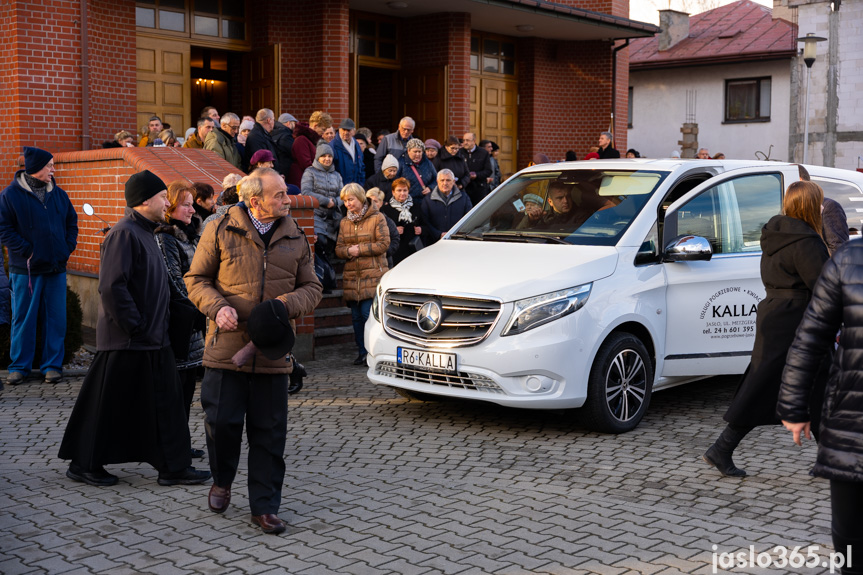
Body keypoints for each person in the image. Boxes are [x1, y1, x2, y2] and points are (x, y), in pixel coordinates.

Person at [185, 167, 322, 533]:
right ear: (255, 200)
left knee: (270, 433)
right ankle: (222, 479)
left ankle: (264, 506)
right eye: (279, 195)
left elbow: (312, 287)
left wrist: (284, 306)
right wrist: (218, 307)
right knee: (222, 425)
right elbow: (195, 280)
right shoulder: (219, 228)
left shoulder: (295, 234)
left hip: (273, 352)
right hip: (225, 350)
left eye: (285, 193)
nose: (287, 199)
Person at [58, 170, 210, 487]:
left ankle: (173, 466)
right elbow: (113, 288)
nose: (167, 202)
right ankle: (84, 463)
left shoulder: (146, 232)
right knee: (108, 406)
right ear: (144, 200)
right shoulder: (124, 234)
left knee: (166, 405)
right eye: (162, 197)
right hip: (128, 342)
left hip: (155, 339)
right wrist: (135, 326)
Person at [703, 181, 830, 478]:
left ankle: (827, 459)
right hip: (798, 320)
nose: (823, 208)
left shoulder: (776, 235)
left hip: (775, 314)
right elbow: (825, 285)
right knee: (777, 384)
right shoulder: (806, 241)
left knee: (810, 384)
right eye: (820, 202)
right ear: (810, 205)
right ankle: (722, 448)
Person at [778, 225, 863, 575]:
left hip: (850, 430)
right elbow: (811, 337)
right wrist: (794, 406)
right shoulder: (849, 259)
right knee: (852, 546)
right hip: (852, 430)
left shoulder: (847, 257)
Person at [0, 148, 77, 386]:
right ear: (36, 168)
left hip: (56, 268)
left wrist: (66, 248)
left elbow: (71, 223)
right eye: (50, 165)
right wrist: (28, 251)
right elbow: (4, 229)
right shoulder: (9, 195)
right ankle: (19, 367)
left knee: (56, 319)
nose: (54, 170)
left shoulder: (60, 195)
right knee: (23, 318)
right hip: (26, 271)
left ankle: (52, 366)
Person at [154, 180, 206, 459]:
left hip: (195, 319)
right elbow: (174, 278)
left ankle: (181, 443)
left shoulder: (192, 234)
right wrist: (197, 304)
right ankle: (171, 447)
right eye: (185, 204)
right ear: (171, 207)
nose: (191, 209)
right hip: (180, 320)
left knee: (187, 388)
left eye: (192, 203)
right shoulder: (165, 236)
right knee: (175, 389)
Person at [335, 183, 390, 366]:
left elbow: (384, 244)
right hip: (353, 277)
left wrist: (361, 249)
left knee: (368, 314)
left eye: (350, 199)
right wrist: (349, 252)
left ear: (360, 198)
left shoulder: (377, 218)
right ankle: (362, 353)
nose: (348, 204)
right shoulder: (344, 222)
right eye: (344, 201)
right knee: (356, 317)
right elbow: (339, 249)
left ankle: (373, 352)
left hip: (373, 274)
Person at [301, 143, 344, 292]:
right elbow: (306, 192)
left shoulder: (336, 175)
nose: (327, 159)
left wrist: (336, 202)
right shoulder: (310, 172)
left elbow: (343, 194)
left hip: (334, 216)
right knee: (321, 242)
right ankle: (322, 279)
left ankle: (329, 278)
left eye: (329, 156)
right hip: (316, 214)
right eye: (324, 156)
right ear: (318, 157)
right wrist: (326, 201)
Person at [421, 169, 472, 245]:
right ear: (437, 181)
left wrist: (457, 234)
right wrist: (439, 234)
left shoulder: (464, 197)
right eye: (442, 180)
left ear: (453, 182)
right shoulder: (428, 200)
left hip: (458, 241)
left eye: (448, 180)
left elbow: (469, 218)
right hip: (434, 243)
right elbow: (425, 221)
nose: (445, 183)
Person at [380, 177, 423, 266]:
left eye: (405, 190)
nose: (402, 193)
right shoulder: (386, 209)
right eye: (399, 190)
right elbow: (380, 231)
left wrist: (421, 229)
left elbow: (426, 225)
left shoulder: (416, 206)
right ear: (393, 192)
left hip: (414, 250)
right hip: (396, 252)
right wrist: (394, 230)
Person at [289, 111, 331, 187]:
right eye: (323, 129)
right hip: (301, 180)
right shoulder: (302, 140)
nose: (324, 132)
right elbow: (305, 164)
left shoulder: (310, 140)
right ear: (315, 126)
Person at [366, 188, 399, 269]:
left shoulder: (387, 221)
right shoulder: (358, 220)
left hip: (384, 263)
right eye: (370, 200)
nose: (372, 204)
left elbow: (395, 239)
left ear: (381, 203)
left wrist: (384, 252)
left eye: (376, 201)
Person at [398, 138, 437, 202]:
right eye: (415, 151)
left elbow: (436, 178)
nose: (418, 154)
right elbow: (395, 182)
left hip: (425, 200)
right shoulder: (401, 163)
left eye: (420, 151)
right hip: (407, 201)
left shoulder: (427, 162)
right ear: (408, 151)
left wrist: (430, 187)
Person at [459, 132, 492, 206]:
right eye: (464, 140)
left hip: (479, 189)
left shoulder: (483, 153)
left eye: (467, 140)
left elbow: (488, 171)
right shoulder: (459, 153)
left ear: (474, 141)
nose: (465, 143)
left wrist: (476, 175)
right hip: (464, 188)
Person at [243, 108, 279, 174]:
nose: (274, 122)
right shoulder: (256, 136)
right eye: (273, 119)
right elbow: (262, 160)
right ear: (269, 120)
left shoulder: (262, 134)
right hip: (262, 176)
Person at [331, 118, 365, 187]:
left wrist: (361, 183)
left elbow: (361, 166)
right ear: (339, 130)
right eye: (343, 130)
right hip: (340, 187)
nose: (346, 133)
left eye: (348, 130)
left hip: (355, 186)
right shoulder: (333, 145)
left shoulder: (356, 144)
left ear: (353, 131)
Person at [270, 113, 295, 178]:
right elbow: (293, 151)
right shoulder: (286, 135)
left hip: (277, 168)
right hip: (286, 170)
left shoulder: (274, 133)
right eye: (294, 123)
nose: (295, 126)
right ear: (288, 123)